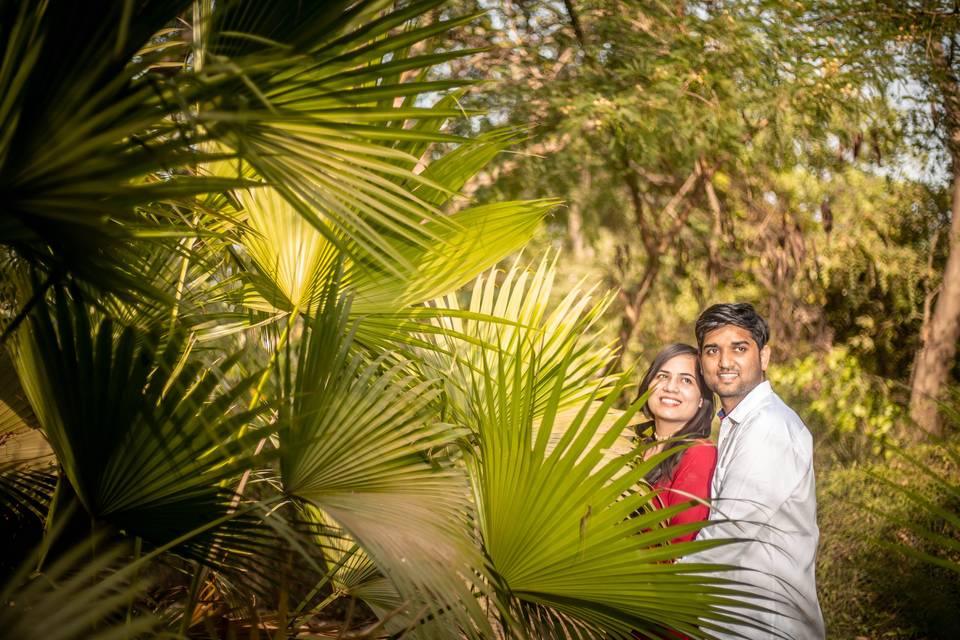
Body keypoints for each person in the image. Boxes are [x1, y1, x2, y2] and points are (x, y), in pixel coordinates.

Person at [682, 303, 825, 639]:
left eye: (740, 348)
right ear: (702, 362)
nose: (725, 361)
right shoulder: (738, 424)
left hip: (766, 628)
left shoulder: (769, 427)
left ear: (764, 357)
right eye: (713, 350)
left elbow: (729, 535)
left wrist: (646, 591)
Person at [636, 343, 717, 545]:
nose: (671, 387)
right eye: (662, 376)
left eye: (686, 380)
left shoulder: (699, 454)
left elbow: (679, 546)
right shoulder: (631, 448)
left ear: (701, 399)